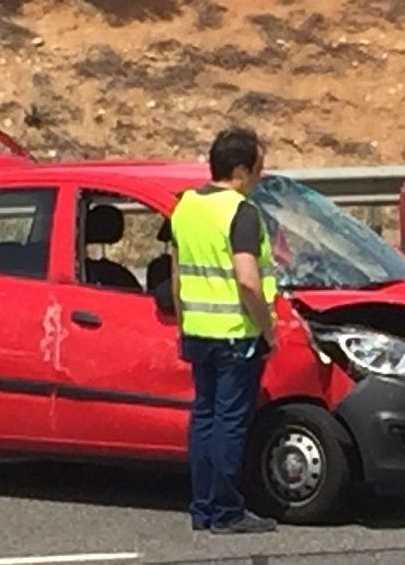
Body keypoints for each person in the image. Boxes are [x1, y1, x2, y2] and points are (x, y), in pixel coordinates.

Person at [169, 126, 278, 534]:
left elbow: (177, 274)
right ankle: (227, 511)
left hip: (197, 330)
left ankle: (202, 507)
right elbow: (248, 280)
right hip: (236, 333)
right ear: (240, 169)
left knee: (204, 418)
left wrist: (183, 323)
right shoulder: (240, 211)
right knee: (230, 422)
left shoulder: (186, 206)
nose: (261, 176)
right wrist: (267, 329)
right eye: (258, 168)